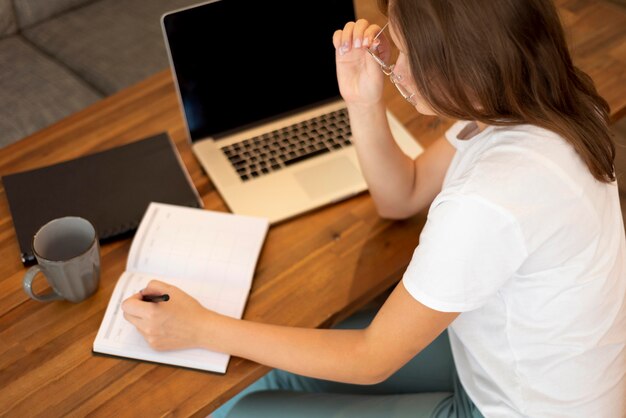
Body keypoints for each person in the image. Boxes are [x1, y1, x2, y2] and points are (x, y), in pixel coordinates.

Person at [121, 0, 626, 416]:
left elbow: (371, 360)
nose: (393, 62)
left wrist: (199, 326)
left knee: (247, 408)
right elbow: (400, 196)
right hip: (517, 364)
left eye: (404, 49)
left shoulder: (488, 200)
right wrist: (364, 100)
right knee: (270, 374)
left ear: (464, 63)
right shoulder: (543, 102)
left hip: (514, 407)